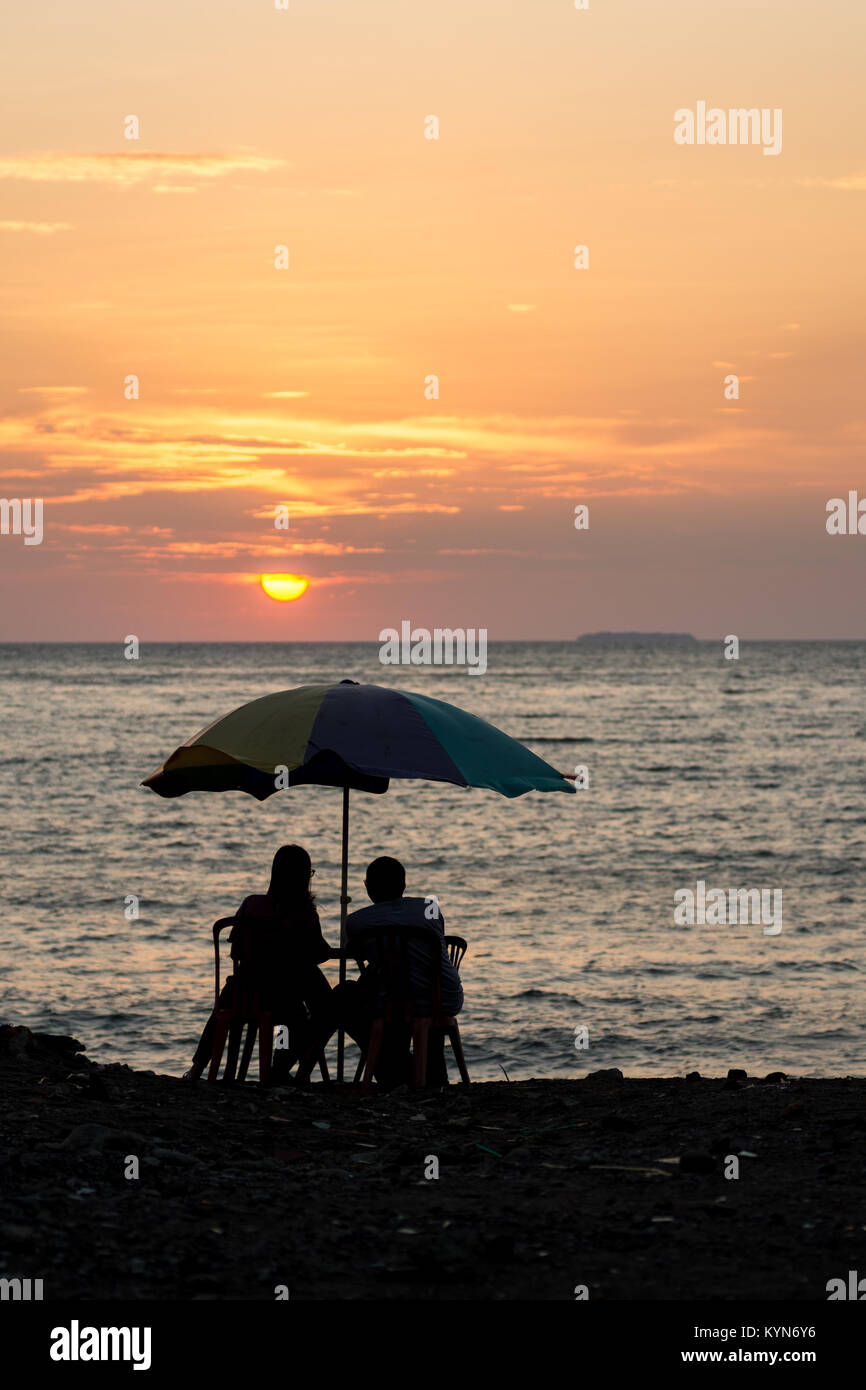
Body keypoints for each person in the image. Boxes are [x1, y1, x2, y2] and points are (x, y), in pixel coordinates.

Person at [185, 844, 336, 1080]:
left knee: (222, 1008)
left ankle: (197, 1068)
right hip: (282, 997)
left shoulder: (251, 903)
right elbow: (318, 953)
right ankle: (282, 1068)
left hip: (242, 990)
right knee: (316, 1011)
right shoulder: (304, 913)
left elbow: (236, 949)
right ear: (304, 877)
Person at [320, 856, 463, 1087]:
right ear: (404, 885)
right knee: (410, 992)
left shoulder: (356, 922)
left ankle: (399, 1072)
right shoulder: (430, 909)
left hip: (396, 1000)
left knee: (353, 998)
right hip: (444, 996)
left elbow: (356, 950)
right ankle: (430, 1076)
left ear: (367, 888)